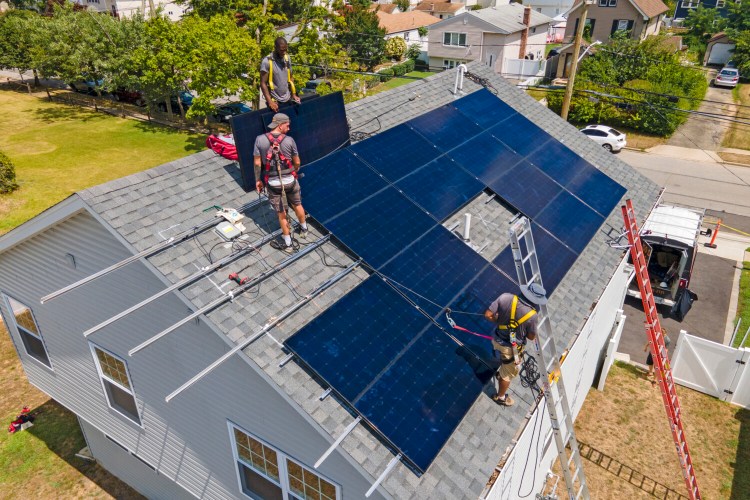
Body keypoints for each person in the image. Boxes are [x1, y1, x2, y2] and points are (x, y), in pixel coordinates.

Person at [253, 113, 309, 253]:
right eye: (287, 125)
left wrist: (258, 180)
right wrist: (294, 171)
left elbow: (257, 163)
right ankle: (304, 229)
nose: (289, 128)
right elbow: (297, 162)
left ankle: (288, 244)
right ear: (280, 125)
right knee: (297, 204)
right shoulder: (290, 140)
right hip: (290, 181)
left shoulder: (259, 140)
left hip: (273, 184)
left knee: (281, 213)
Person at [484, 293, 538, 406]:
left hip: (496, 339)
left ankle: (501, 371)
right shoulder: (532, 316)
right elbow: (531, 337)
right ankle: (501, 397)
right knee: (507, 375)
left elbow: (488, 315)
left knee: (503, 360)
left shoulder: (505, 297)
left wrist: (499, 321)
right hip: (511, 349)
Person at [260, 37, 301, 112]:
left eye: (286, 49)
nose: (284, 52)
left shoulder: (287, 58)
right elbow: (263, 83)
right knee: (279, 122)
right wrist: (270, 102)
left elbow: (291, 78)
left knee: (289, 121)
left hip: (288, 98)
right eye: (282, 50)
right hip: (275, 102)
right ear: (275, 48)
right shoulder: (267, 62)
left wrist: (294, 94)